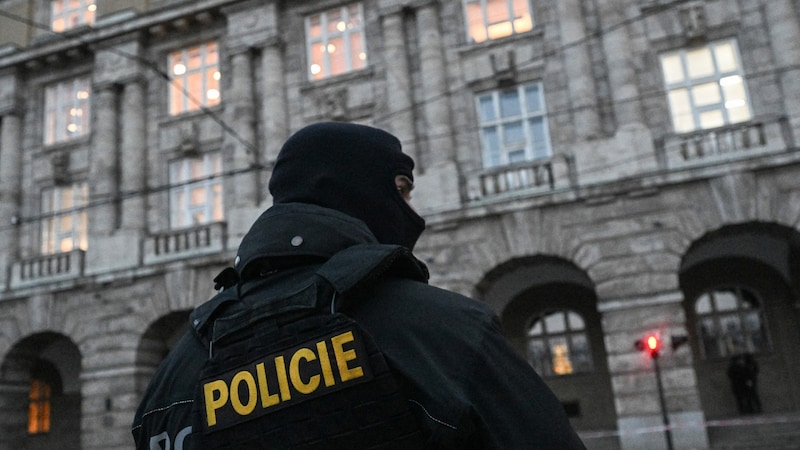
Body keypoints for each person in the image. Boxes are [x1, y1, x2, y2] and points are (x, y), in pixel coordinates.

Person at [132, 122, 586, 449]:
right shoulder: (448, 332)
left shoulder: (173, 375)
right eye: (402, 189)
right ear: (360, 192)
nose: (411, 209)